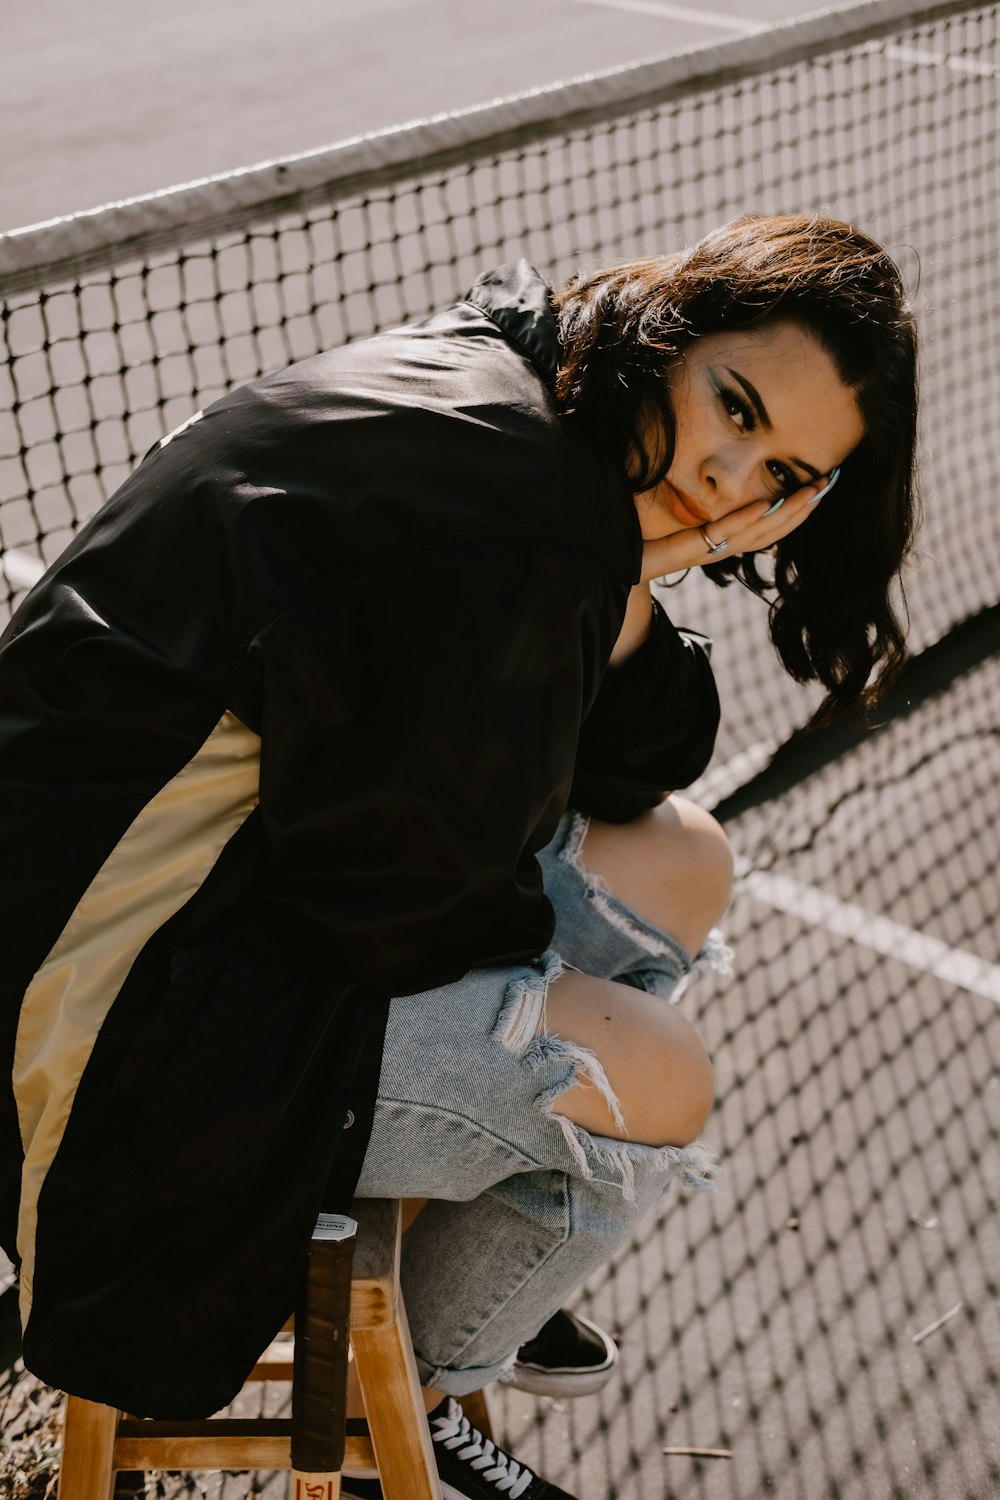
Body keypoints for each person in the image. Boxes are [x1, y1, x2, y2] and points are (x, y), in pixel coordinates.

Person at [0, 214, 917, 1499]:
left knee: (678, 863)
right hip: (109, 1019)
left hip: (201, 898)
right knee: (652, 1077)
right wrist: (555, 1032)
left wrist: (630, 585)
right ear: (671, 335)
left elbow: (647, 759)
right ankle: (417, 1415)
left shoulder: (528, 395)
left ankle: (468, 1288)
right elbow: (391, 902)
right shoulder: (517, 509)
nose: (728, 478)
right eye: (734, 405)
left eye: (784, 473)